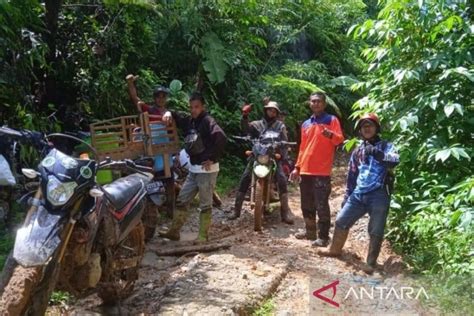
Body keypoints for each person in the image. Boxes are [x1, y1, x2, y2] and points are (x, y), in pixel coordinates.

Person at [318, 113, 399, 274]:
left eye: (370, 125)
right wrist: (347, 195)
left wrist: (377, 153)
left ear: (376, 128)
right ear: (360, 131)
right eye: (364, 126)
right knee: (341, 220)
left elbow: (395, 160)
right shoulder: (358, 150)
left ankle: (370, 262)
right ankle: (334, 249)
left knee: (376, 229)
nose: (367, 128)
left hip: (379, 193)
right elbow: (352, 174)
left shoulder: (385, 146)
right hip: (358, 193)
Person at [159, 92, 227, 242]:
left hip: (207, 170)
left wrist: (212, 158)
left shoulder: (208, 121)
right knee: (182, 200)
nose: (193, 110)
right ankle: (174, 231)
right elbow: (176, 115)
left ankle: (203, 235)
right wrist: (169, 113)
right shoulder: (190, 121)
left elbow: (221, 137)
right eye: (191, 107)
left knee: (205, 204)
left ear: (203, 107)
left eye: (196, 107)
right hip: (194, 169)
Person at [289, 92, 344, 246]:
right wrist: (296, 167)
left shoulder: (331, 120)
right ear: (310, 104)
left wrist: (331, 134)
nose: (316, 104)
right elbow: (302, 148)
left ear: (324, 104)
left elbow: (340, 140)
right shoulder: (306, 124)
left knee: (321, 204)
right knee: (306, 203)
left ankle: (324, 237)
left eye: (319, 101)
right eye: (313, 101)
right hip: (305, 170)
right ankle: (310, 231)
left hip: (321, 171)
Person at [229, 101, 294, 224]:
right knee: (245, 178)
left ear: (277, 113)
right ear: (265, 111)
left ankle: (285, 212)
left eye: (274, 111)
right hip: (258, 155)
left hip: (273, 156)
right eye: (270, 110)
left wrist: (282, 155)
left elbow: (285, 142)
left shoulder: (280, 126)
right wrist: (244, 116)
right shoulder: (257, 124)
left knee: (281, 179)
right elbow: (245, 129)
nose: (272, 112)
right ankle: (236, 211)